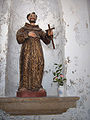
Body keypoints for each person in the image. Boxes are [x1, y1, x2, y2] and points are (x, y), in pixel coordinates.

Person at [16, 12, 53, 92]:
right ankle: (24, 86)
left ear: (36, 18)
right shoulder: (23, 29)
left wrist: (49, 35)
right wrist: (27, 34)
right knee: (25, 66)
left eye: (34, 16)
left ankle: (37, 86)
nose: (32, 17)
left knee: (39, 65)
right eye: (31, 16)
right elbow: (19, 39)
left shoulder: (39, 30)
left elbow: (46, 41)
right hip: (27, 51)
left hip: (37, 51)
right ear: (28, 18)